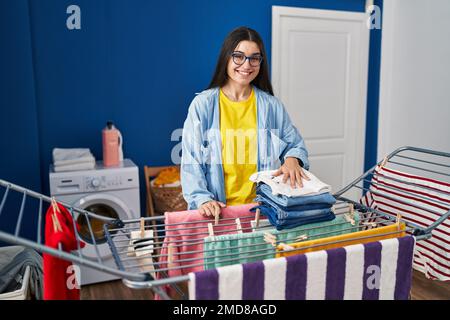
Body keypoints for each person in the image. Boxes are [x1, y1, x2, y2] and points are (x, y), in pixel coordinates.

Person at [181, 26, 309, 218]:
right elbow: (191, 161)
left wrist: (293, 159)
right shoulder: (203, 105)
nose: (246, 64)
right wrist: (202, 198)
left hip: (262, 212)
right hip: (217, 212)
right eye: (238, 56)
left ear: (260, 62)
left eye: (254, 58)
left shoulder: (272, 106)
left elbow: (295, 144)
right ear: (226, 57)